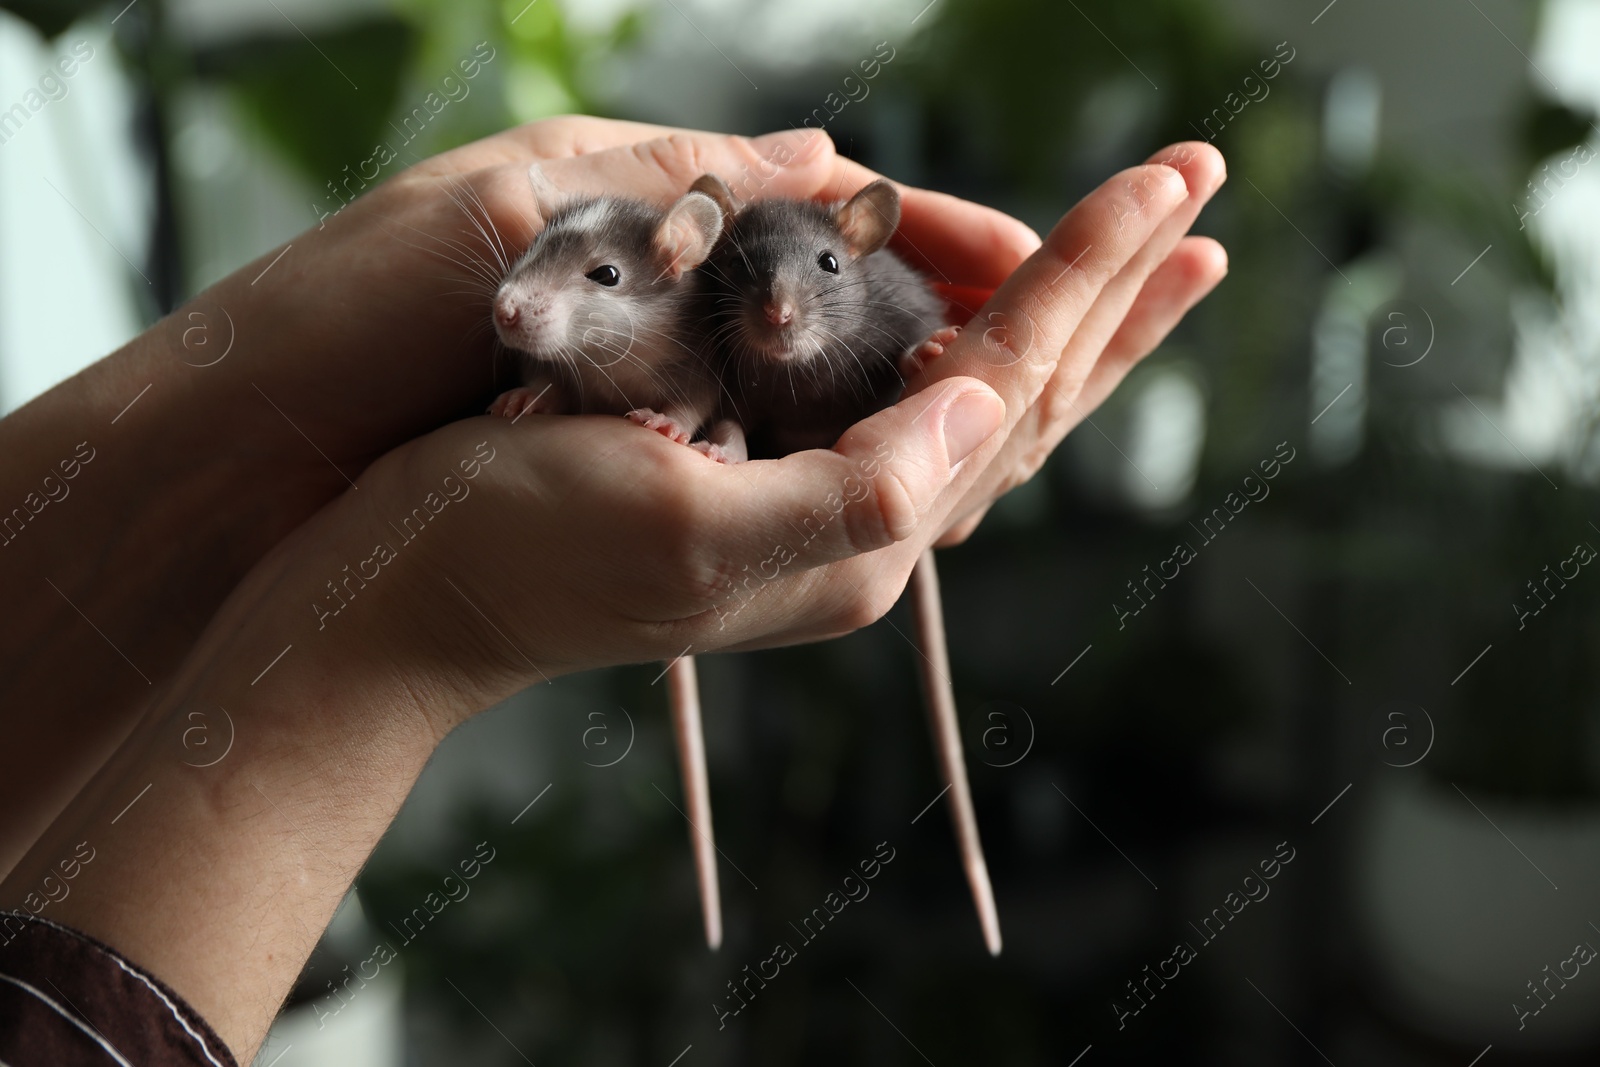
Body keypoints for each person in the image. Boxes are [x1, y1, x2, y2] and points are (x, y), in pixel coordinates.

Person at [0, 116, 1226, 1063]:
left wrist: (204, 462)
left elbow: (731, 372)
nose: (515, 295)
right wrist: (418, 621)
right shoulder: (683, 302)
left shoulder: (735, 298)